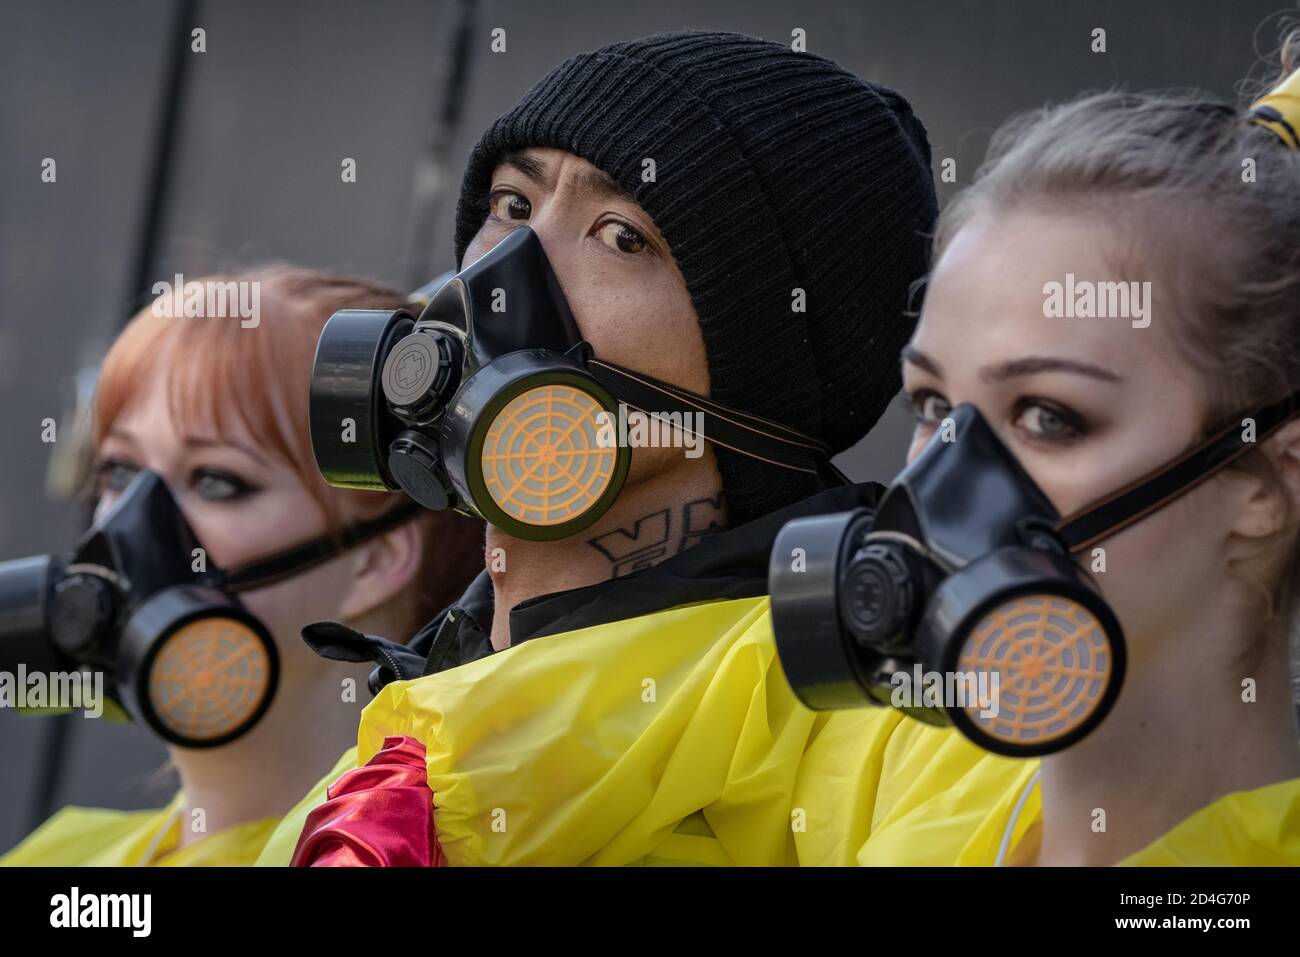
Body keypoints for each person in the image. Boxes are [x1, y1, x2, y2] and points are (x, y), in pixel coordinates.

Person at [274, 30, 939, 866]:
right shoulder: (388, 752)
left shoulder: (870, 744)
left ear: (761, 377)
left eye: (622, 236)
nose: (502, 276)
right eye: (514, 205)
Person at [0, 266, 481, 866]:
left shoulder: (414, 855)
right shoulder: (58, 856)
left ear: (374, 559)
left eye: (217, 480)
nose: (125, 526)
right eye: (119, 470)